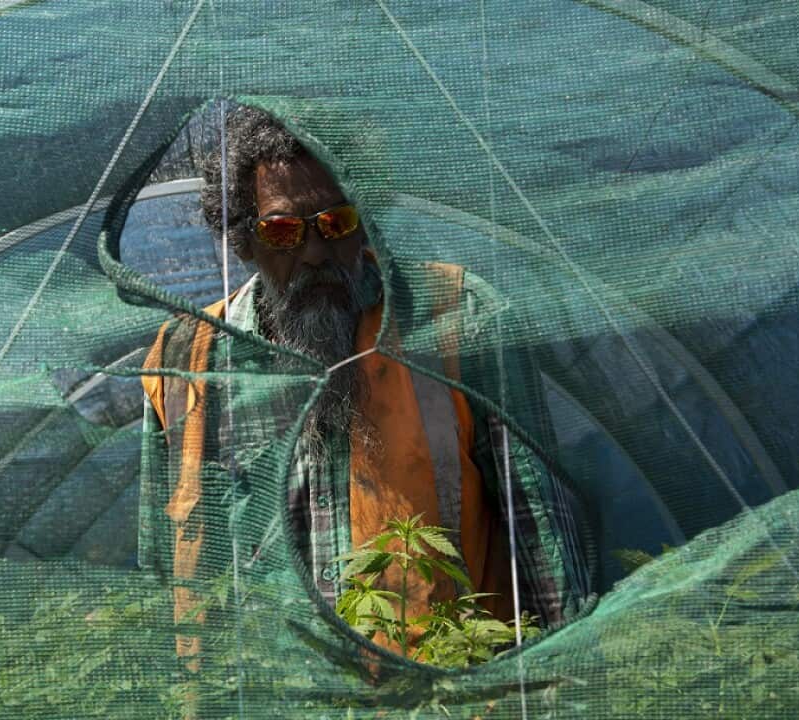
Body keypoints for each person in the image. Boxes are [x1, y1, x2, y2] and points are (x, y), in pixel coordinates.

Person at [137, 105, 589, 668]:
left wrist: (562, 677)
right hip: (274, 696)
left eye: (336, 223)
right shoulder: (186, 359)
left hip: (443, 694)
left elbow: (542, 536)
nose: (315, 253)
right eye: (282, 230)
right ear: (242, 242)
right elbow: (164, 571)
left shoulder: (451, 316)